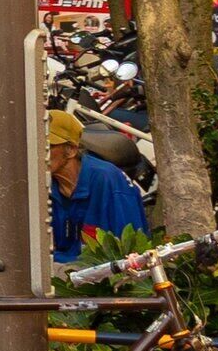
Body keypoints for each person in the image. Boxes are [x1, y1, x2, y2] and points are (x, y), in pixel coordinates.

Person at [50, 110, 149, 258]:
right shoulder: (49, 183)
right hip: (66, 266)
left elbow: (129, 254)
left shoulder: (107, 180)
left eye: (48, 146)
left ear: (70, 150)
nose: (38, 152)